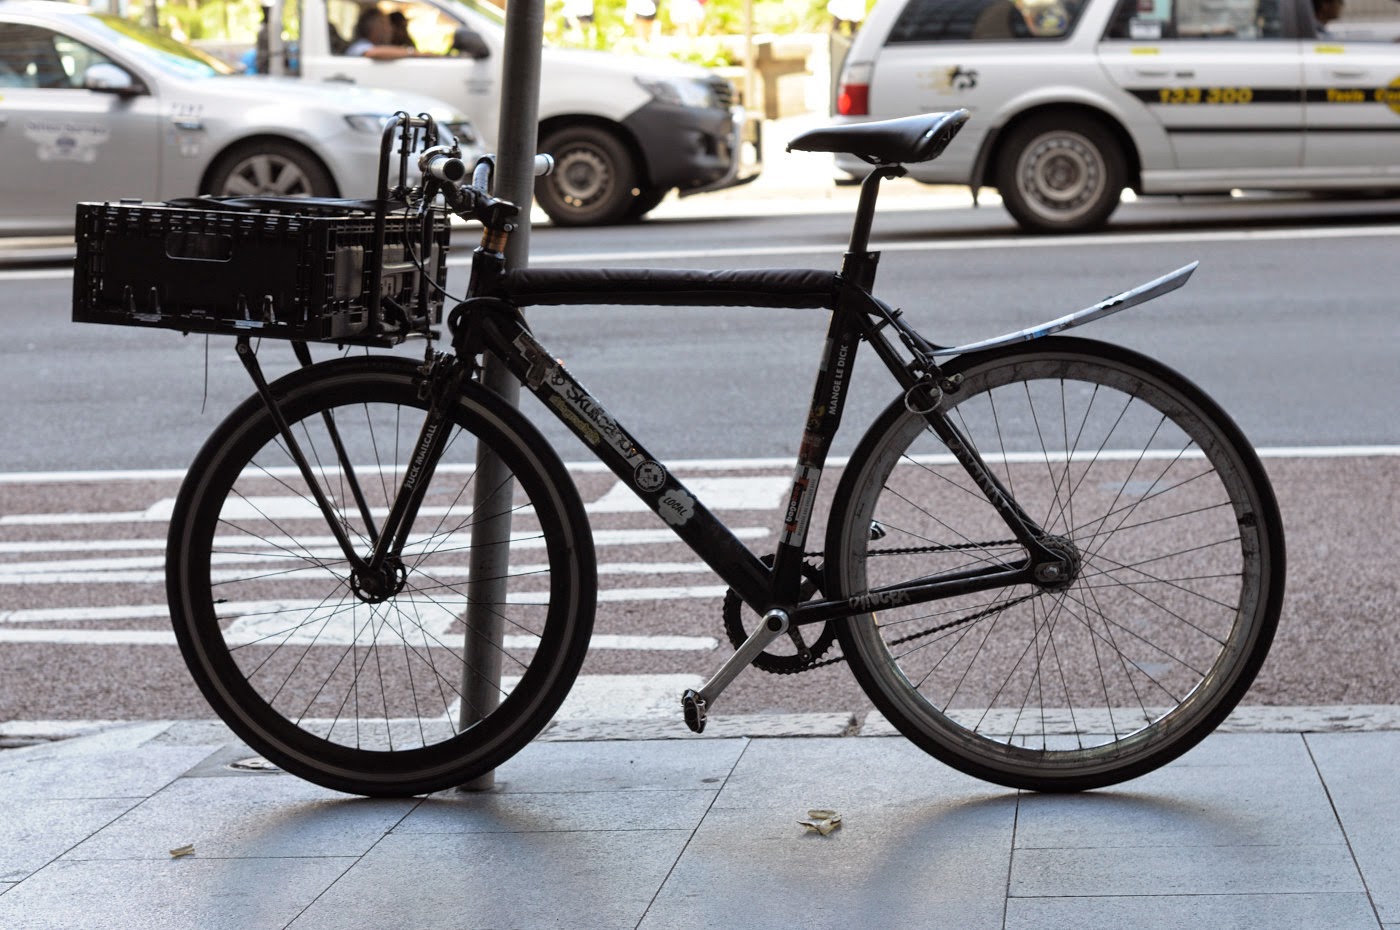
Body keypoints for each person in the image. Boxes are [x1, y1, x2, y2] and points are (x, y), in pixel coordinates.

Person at [345, 7, 419, 59]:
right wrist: (412, 53)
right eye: (385, 25)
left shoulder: (371, 45)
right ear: (375, 28)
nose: (391, 29)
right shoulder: (359, 45)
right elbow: (373, 53)